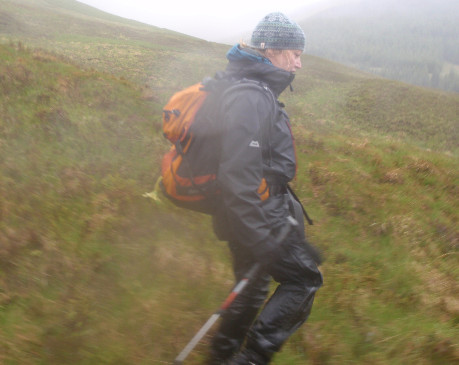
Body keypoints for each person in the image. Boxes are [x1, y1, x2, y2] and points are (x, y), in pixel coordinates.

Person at [209, 12, 323, 365]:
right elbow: (237, 175)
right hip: (255, 212)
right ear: (271, 50)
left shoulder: (252, 87)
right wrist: (261, 237)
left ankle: (221, 358)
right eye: (294, 54)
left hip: (249, 211)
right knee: (303, 279)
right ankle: (251, 359)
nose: (299, 64)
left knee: (252, 287)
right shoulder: (250, 96)